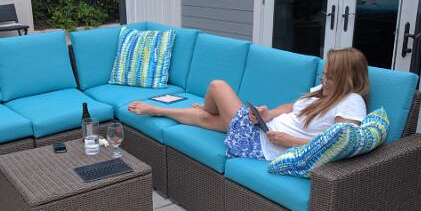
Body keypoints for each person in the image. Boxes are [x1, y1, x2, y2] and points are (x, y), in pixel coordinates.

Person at [127, 47, 369, 161]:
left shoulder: (351, 101)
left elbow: (340, 144)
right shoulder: (323, 91)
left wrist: (291, 142)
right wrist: (269, 113)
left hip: (263, 143)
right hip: (263, 128)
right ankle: (158, 109)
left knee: (217, 86)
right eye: (323, 75)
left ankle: (204, 107)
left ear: (347, 80)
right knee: (207, 120)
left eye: (329, 78)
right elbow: (292, 107)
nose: (323, 81)